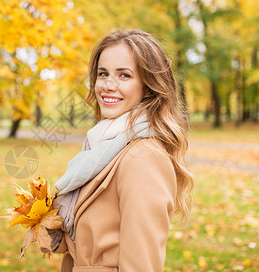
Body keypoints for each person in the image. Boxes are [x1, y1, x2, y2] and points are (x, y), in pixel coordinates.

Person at [49, 29, 194, 272]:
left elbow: (141, 265)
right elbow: (89, 238)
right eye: (103, 73)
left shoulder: (143, 157)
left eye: (124, 75)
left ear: (148, 86)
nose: (108, 85)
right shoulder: (102, 146)